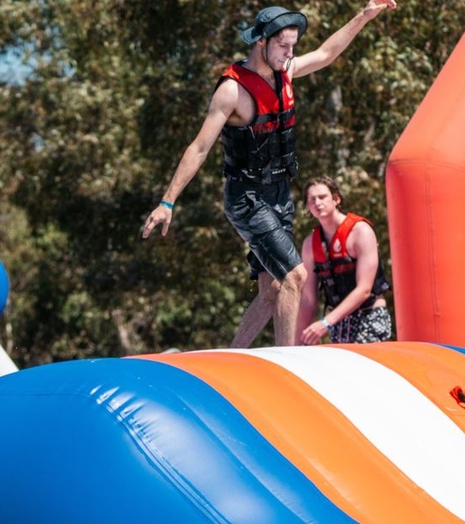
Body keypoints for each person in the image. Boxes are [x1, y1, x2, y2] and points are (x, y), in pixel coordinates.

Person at [141, 1, 398, 347]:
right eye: (283, 46)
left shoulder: (285, 71)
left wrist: (364, 16)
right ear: (261, 42)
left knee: (272, 289)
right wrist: (167, 201)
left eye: (292, 46)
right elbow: (199, 147)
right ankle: (287, 362)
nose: (289, 53)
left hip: (279, 194)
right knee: (295, 275)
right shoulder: (232, 90)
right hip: (247, 198)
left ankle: (230, 356)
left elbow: (325, 54)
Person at [297, 177, 391, 344]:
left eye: (322, 197)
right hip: (338, 324)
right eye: (311, 200)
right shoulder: (310, 245)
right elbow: (308, 300)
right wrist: (297, 343)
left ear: (336, 199)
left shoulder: (360, 231)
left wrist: (325, 323)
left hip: (370, 317)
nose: (317, 203)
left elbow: (364, 289)